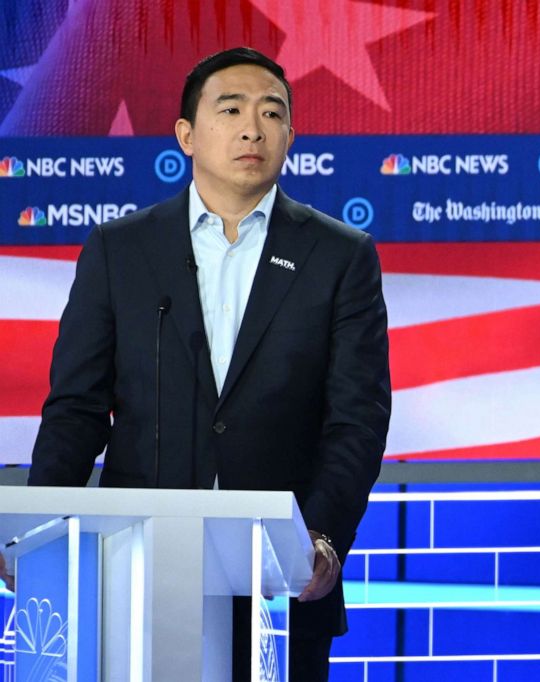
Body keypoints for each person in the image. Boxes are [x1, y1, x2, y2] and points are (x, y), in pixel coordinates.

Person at [23, 47, 391, 680]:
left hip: (281, 579)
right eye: (232, 109)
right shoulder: (121, 250)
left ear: (290, 137)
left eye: (272, 112)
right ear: (186, 135)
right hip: (137, 563)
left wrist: (322, 541)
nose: (254, 127)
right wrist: (33, 531)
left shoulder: (340, 256)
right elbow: (78, 409)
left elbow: (357, 418)